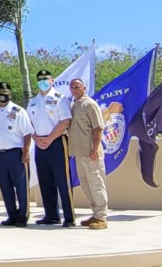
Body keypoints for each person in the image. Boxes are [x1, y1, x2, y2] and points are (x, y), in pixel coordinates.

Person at [28, 69, 75, 227]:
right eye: (40, 78)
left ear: (52, 80)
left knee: (62, 180)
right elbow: (29, 124)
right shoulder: (33, 101)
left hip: (56, 142)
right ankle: (51, 215)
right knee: (45, 180)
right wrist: (36, 138)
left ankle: (69, 217)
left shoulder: (60, 99)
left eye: (45, 78)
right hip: (39, 143)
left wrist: (49, 139)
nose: (43, 81)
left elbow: (65, 122)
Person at [0, 81, 33, 227]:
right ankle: (12, 215)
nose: (2, 96)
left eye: (5, 93)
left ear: (10, 94)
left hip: (16, 154)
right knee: (5, 187)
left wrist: (26, 152)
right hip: (0, 155)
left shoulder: (18, 111)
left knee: (21, 187)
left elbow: (27, 134)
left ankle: (23, 216)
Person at [68, 78, 109, 229]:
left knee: (96, 183)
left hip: (91, 152)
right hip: (79, 153)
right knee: (86, 185)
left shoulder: (90, 104)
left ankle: (102, 217)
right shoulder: (74, 105)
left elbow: (98, 128)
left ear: (84, 87)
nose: (75, 89)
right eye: (72, 87)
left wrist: (94, 149)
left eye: (78, 86)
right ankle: (95, 214)